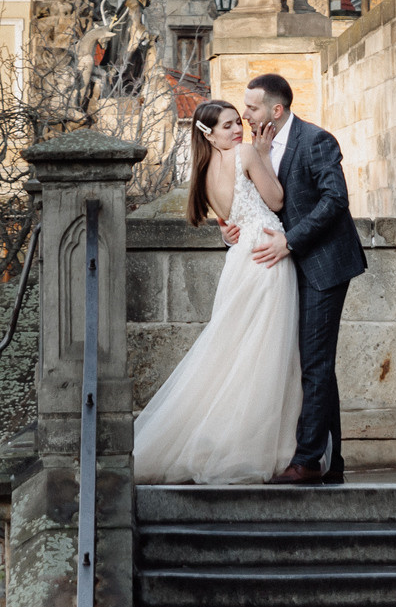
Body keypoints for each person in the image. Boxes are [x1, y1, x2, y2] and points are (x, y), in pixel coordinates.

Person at [132, 101, 302, 484]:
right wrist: (260, 153)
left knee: (235, 352)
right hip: (266, 257)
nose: (237, 130)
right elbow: (276, 200)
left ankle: (228, 439)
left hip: (240, 259)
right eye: (227, 126)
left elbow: (230, 221)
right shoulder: (245, 153)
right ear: (209, 133)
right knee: (266, 352)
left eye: (237, 122)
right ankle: (256, 447)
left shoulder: (202, 172)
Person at [223, 71, 370, 484]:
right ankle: (332, 461)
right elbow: (254, 200)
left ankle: (306, 462)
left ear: (276, 108)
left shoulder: (316, 140)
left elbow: (335, 200)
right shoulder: (257, 147)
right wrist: (228, 228)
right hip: (286, 270)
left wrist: (289, 241)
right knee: (315, 363)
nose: (245, 115)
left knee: (315, 361)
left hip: (323, 264)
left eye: (251, 108)